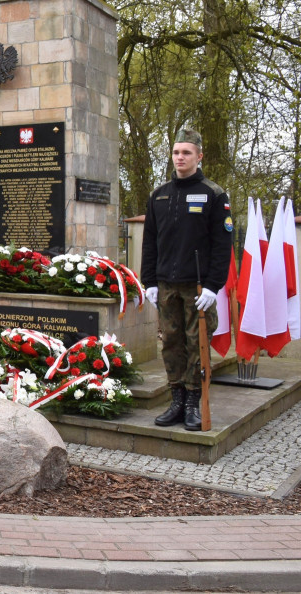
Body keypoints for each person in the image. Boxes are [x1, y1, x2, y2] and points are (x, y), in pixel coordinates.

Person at [142, 129, 233, 431]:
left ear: (199, 156)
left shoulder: (213, 194)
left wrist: (213, 286)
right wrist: (149, 280)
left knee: (197, 343)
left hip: (198, 287)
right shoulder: (159, 195)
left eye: (186, 153)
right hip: (166, 284)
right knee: (171, 342)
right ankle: (177, 400)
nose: (180, 158)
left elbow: (222, 246)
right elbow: (150, 241)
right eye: (176, 152)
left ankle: (194, 400)